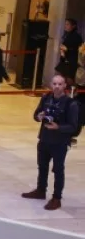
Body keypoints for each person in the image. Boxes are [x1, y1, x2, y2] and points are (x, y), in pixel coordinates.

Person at [23, 74, 80, 211]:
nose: (57, 87)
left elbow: (74, 127)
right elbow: (36, 115)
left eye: (60, 84)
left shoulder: (71, 104)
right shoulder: (46, 98)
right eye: (54, 84)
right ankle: (41, 190)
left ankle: (57, 198)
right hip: (44, 139)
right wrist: (39, 116)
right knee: (42, 166)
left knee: (58, 169)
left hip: (60, 142)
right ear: (51, 84)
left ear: (65, 85)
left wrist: (58, 127)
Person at [56, 18, 82, 82]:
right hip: (65, 59)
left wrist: (67, 49)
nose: (65, 26)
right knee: (61, 77)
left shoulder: (76, 36)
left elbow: (79, 49)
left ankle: (72, 88)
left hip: (72, 60)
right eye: (65, 24)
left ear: (73, 26)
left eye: (67, 24)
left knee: (69, 79)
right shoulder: (67, 35)